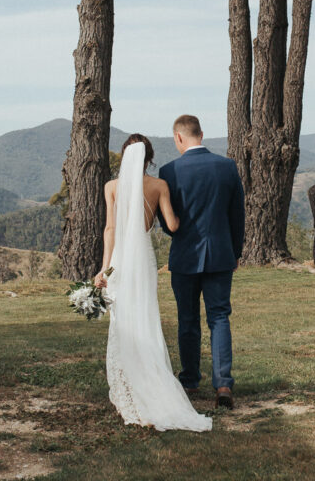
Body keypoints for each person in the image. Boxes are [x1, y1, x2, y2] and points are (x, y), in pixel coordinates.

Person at [94, 134, 212, 432]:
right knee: (145, 314)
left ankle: (129, 383)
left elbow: (110, 229)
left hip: (120, 259)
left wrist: (104, 269)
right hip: (144, 258)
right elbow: (172, 224)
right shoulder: (159, 186)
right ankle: (151, 378)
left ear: (125, 156)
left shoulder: (111, 187)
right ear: (149, 158)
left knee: (123, 318)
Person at [157, 114, 245, 409]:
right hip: (220, 254)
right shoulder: (227, 166)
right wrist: (235, 252)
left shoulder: (169, 171)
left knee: (188, 319)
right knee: (219, 317)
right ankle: (223, 384)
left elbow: (167, 222)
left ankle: (190, 380)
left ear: (178, 137)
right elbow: (237, 215)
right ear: (201, 134)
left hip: (184, 256)